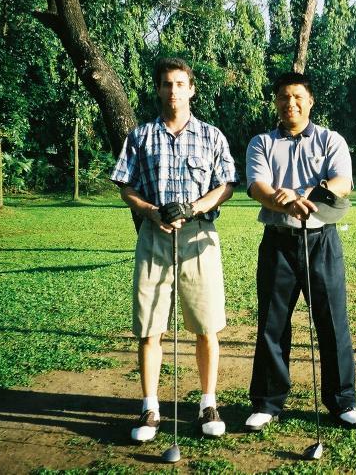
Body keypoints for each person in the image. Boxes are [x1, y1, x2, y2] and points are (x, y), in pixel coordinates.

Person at [110, 57, 238, 442]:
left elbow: (227, 183)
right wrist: (151, 211)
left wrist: (195, 206)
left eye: (180, 84)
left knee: (206, 326)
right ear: (159, 89)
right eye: (166, 84)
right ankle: (150, 408)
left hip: (199, 237)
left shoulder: (212, 135)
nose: (173, 91)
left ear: (191, 89)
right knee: (150, 329)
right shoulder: (140, 136)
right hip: (154, 238)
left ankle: (207, 403)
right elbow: (125, 184)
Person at [243, 72, 356, 432]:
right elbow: (258, 187)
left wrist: (315, 191)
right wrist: (282, 201)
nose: (290, 103)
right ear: (276, 102)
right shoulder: (261, 142)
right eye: (283, 97)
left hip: (321, 240)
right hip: (278, 242)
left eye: (298, 96)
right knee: (272, 324)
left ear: (310, 101)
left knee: (332, 323)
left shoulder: (331, 139)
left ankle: (343, 402)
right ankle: (267, 403)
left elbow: (344, 183)